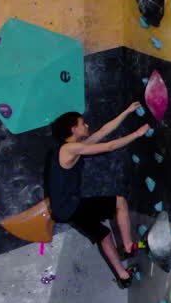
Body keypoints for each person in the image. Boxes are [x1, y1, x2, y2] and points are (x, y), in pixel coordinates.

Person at [45, 104, 150, 289]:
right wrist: (136, 134)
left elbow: (103, 132)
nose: (86, 126)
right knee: (120, 202)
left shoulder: (74, 147)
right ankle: (127, 245)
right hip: (70, 206)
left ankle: (123, 276)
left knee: (104, 235)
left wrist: (126, 111)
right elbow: (108, 146)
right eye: (82, 123)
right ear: (73, 129)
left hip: (65, 209)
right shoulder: (68, 150)